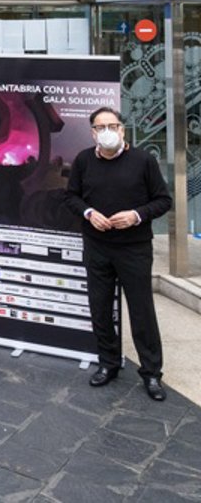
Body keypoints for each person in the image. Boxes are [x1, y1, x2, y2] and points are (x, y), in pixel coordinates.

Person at [65, 106, 172, 401]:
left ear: (122, 129)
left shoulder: (143, 160)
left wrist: (136, 215)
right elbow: (71, 197)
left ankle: (151, 373)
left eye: (112, 126)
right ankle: (108, 363)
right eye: (100, 127)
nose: (107, 132)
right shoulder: (84, 160)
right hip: (97, 247)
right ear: (92, 133)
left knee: (141, 311)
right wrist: (88, 213)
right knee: (100, 308)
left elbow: (163, 200)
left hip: (134, 248)